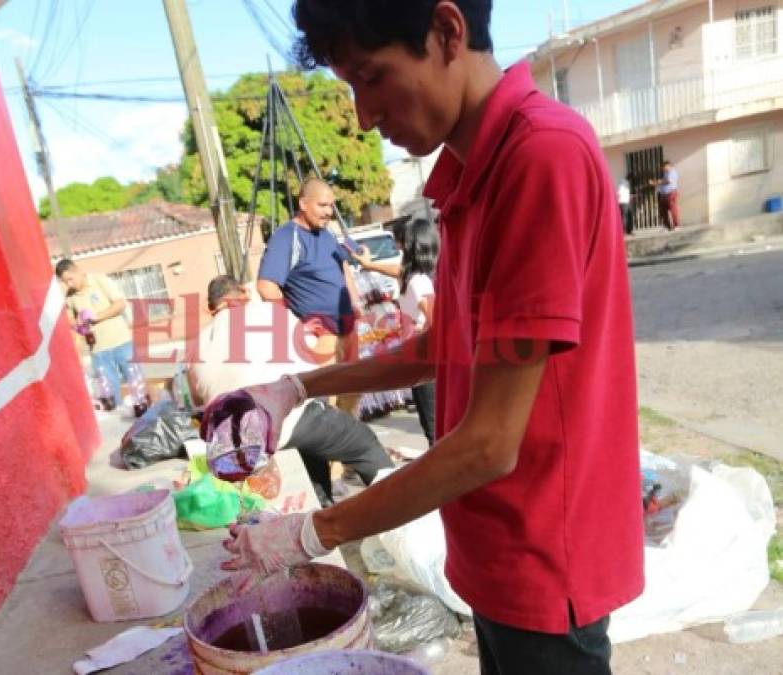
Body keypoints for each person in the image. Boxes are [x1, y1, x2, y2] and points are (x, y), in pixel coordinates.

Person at [207, 3, 643, 674]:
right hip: (495, 550)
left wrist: (312, 530)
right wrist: (294, 384)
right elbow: (439, 350)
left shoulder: (540, 156)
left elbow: (490, 443)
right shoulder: (469, 177)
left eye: (370, 76)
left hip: (546, 552)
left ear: (446, 31)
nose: (361, 114)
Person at [188, 275, 393, 506]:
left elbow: (197, 399)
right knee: (363, 443)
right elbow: (317, 356)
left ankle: (322, 508)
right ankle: (404, 516)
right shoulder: (269, 312)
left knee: (312, 446)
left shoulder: (197, 343)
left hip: (237, 441)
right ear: (244, 293)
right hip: (284, 419)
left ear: (210, 308)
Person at [257, 177, 364, 412]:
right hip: (320, 334)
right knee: (327, 401)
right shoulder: (286, 237)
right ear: (304, 204)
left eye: (331, 206)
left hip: (346, 327)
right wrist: (292, 326)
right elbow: (266, 285)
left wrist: (355, 303)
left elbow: (343, 265)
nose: (328, 212)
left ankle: (349, 443)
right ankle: (330, 448)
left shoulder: (326, 234)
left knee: (353, 394)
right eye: (322, 205)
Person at [351, 218, 439, 446]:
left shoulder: (418, 283)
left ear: (412, 246)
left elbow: (436, 320)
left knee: (434, 428)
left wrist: (423, 330)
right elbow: (396, 271)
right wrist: (369, 265)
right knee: (432, 424)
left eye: (401, 242)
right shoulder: (415, 276)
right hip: (419, 361)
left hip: (425, 362)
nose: (398, 247)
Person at [56, 259, 133, 406]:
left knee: (136, 383)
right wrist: (77, 324)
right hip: (98, 350)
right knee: (110, 394)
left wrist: (97, 317)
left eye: (70, 279)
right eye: (66, 282)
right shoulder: (70, 296)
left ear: (77, 271)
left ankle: (145, 418)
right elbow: (69, 319)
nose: (69, 284)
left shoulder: (99, 280)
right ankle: (118, 419)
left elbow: (120, 304)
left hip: (121, 342)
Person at [652, 160, 680, 231]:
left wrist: (659, 181)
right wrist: (656, 183)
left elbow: (668, 181)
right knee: (663, 211)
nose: (663, 169)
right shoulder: (666, 173)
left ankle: (676, 226)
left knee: (673, 210)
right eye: (663, 168)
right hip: (663, 194)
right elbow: (663, 182)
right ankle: (667, 226)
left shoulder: (672, 172)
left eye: (664, 167)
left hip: (671, 193)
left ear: (668, 166)